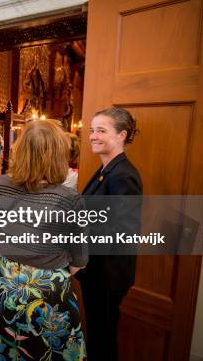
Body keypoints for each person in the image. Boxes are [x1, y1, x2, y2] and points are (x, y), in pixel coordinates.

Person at [0, 119, 87, 360]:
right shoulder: (70, 199)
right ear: (58, 154)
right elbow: (79, 261)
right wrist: (45, 273)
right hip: (49, 293)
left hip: (5, 283)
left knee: (0, 349)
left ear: (20, 151)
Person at [76, 107, 142, 361]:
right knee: (97, 334)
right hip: (97, 271)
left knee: (102, 339)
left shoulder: (123, 175)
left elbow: (121, 231)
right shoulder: (107, 169)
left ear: (121, 135)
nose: (93, 136)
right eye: (92, 130)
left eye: (101, 131)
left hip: (108, 274)